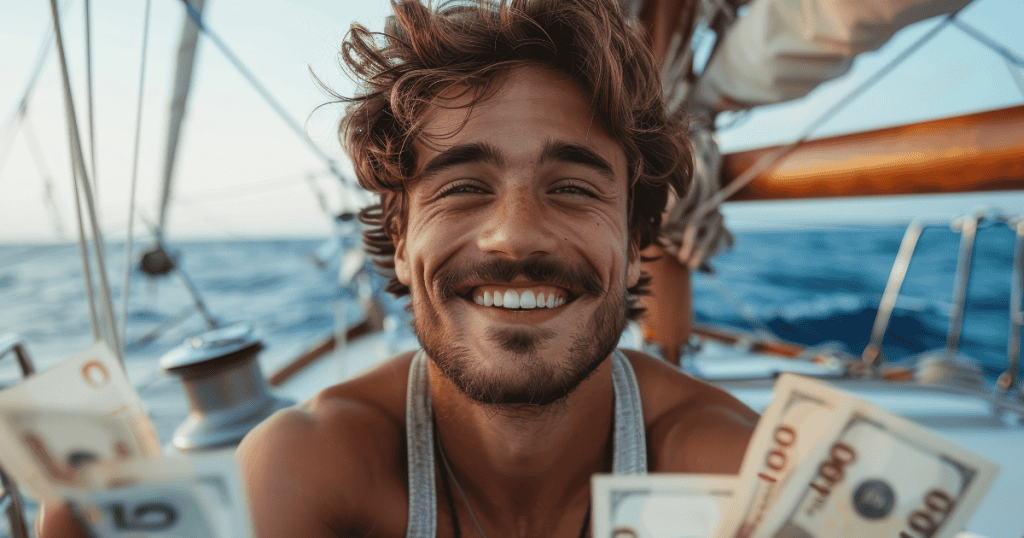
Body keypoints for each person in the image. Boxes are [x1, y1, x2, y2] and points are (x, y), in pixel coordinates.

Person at [38, 1, 755, 536]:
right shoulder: (310, 463)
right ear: (402, 238)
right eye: (463, 186)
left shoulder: (735, 471)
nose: (514, 236)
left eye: (572, 188)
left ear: (635, 244)